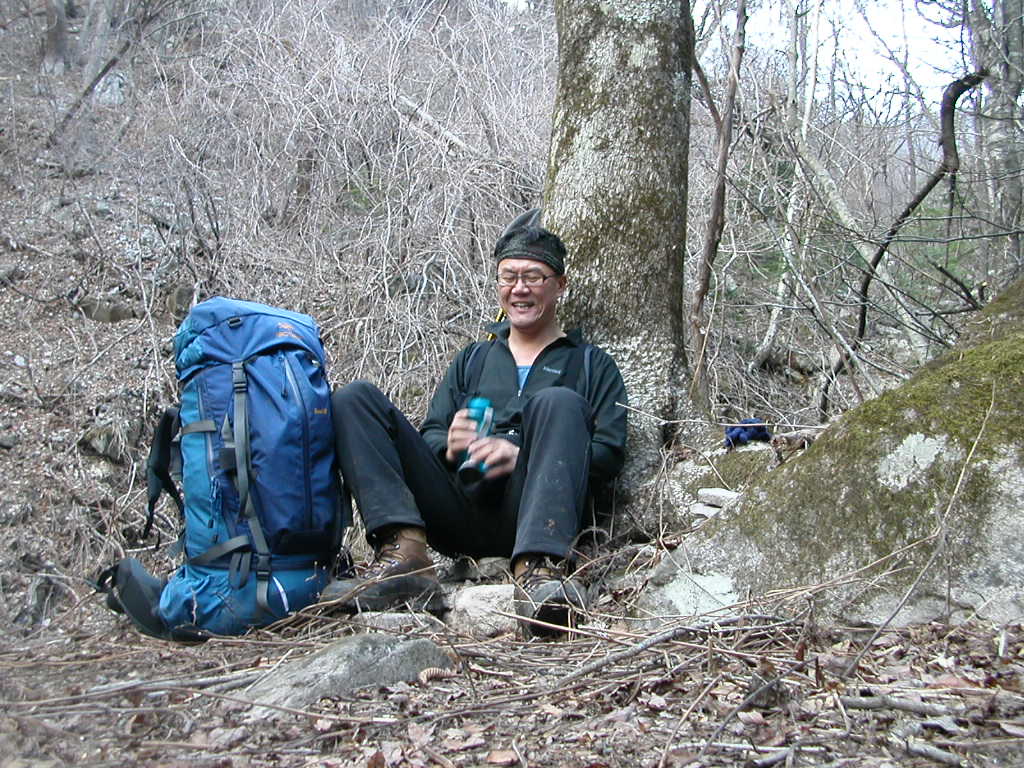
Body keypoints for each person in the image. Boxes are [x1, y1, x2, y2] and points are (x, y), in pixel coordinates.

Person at [323, 224, 627, 634]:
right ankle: (404, 558)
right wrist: (451, 447)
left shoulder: (591, 364)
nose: (519, 289)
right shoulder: (474, 358)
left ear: (560, 285)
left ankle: (538, 571)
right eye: (508, 276)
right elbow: (431, 432)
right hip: (458, 509)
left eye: (533, 277)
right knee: (354, 398)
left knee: (559, 402)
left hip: (535, 514)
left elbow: (609, 453)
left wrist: (523, 456)